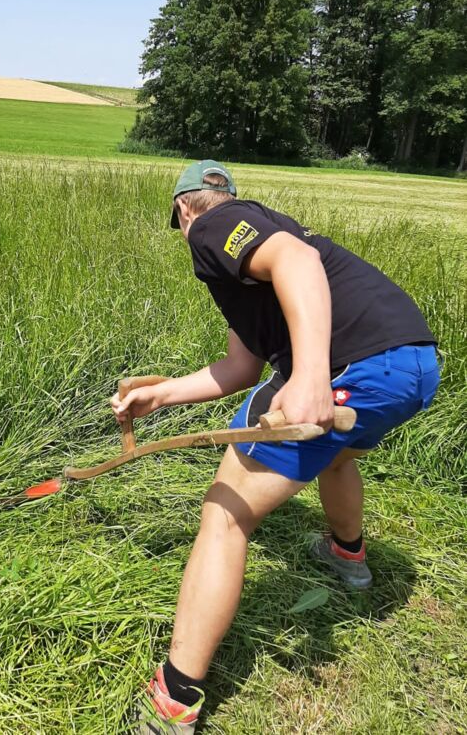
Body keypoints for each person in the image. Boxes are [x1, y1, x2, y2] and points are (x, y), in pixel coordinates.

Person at [110, 160, 441, 735]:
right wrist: (161, 395)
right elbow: (242, 365)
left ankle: (174, 699)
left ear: (183, 208)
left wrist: (310, 376)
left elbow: (297, 260)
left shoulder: (218, 225)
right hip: (410, 364)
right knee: (336, 454)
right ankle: (346, 555)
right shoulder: (249, 270)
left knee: (225, 514)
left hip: (350, 367)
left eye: (178, 221)